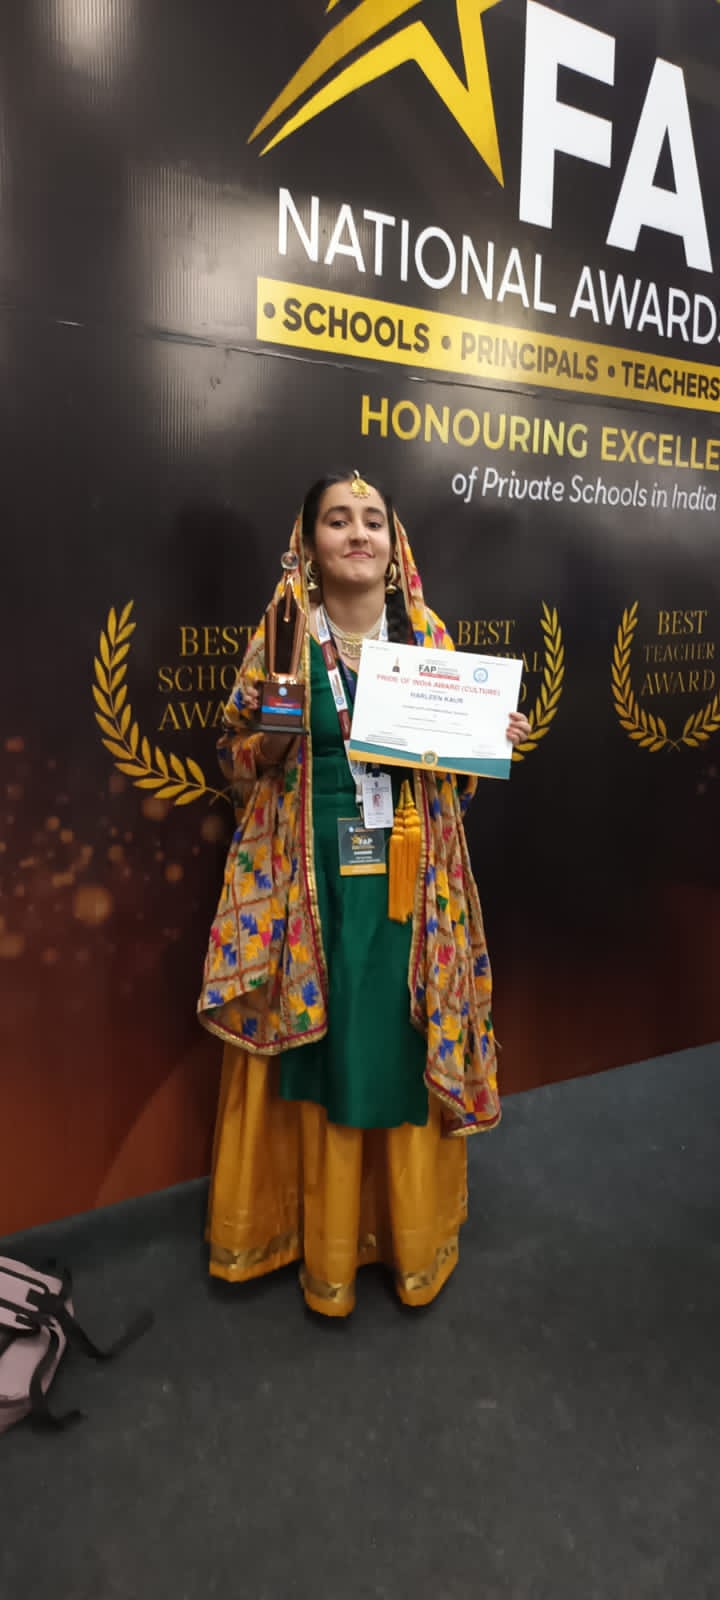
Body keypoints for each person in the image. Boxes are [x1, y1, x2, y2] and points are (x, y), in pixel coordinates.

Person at [198, 470, 530, 1317]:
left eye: (373, 521)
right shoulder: (282, 635)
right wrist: (272, 739)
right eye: (338, 520)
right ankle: (306, 1239)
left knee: (394, 1034)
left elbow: (456, 779)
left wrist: (491, 735)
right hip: (303, 880)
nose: (357, 534)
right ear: (308, 544)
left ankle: (406, 1237)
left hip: (409, 880)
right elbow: (236, 760)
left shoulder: (424, 636)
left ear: (393, 543)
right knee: (322, 1039)